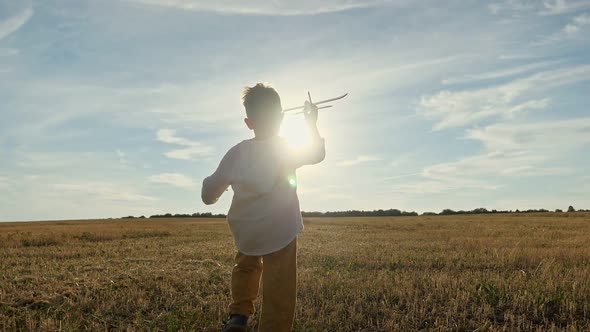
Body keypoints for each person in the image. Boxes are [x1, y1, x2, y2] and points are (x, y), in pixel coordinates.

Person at [201, 83, 325, 332]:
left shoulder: (236, 153)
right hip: (280, 229)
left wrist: (213, 190)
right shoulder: (286, 148)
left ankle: (238, 315)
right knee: (279, 287)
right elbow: (316, 153)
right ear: (281, 117)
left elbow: (208, 194)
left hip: (247, 229)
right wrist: (311, 123)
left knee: (245, 267)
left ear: (249, 123)